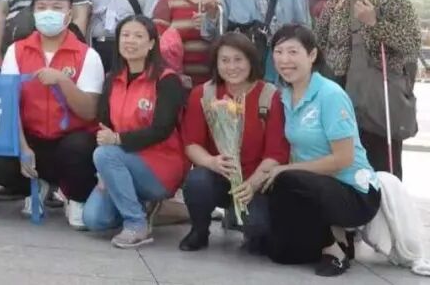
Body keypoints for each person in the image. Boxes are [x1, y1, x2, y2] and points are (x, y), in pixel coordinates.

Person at [262, 25, 381, 276]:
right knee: (280, 254)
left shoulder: (330, 94)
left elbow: (344, 159)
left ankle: (335, 250)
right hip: (314, 186)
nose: (284, 60)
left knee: (285, 178)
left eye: (293, 52)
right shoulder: (284, 96)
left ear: (312, 55)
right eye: (278, 52)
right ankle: (336, 237)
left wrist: (288, 169)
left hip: (354, 192)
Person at [0, 0, 104, 227]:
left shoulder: (87, 55)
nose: (48, 13)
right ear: (33, 13)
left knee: (79, 148)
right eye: (41, 7)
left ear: (69, 15)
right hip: (32, 138)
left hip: (69, 141)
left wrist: (64, 81)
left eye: (56, 7)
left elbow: (89, 111)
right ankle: (36, 187)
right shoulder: (16, 51)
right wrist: (22, 148)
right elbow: (9, 104)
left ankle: (75, 197)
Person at [316, 0, 421, 178]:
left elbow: (411, 44)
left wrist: (375, 23)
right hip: (340, 94)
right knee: (345, 168)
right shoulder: (338, 1)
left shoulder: (396, 3)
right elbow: (319, 38)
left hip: (377, 98)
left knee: (381, 168)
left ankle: (385, 201)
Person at [83, 15, 188, 249]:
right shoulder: (113, 79)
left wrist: (117, 140)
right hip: (119, 162)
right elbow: (103, 126)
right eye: (125, 35)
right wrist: (105, 172)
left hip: (160, 166)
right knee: (94, 220)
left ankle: (136, 224)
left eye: (138, 36)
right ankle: (143, 206)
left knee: (104, 155)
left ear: (151, 43)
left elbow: (161, 129)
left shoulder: (166, 80)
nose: (130, 41)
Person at [179, 32, 289, 252]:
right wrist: (211, 162)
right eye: (225, 60)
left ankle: (244, 224)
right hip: (219, 175)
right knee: (197, 181)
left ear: (251, 61)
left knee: (258, 228)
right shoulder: (204, 93)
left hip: (256, 180)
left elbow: (276, 154)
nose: (232, 67)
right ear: (216, 63)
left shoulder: (270, 96)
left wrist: (252, 184)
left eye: (238, 60)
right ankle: (200, 230)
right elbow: (191, 143)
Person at [152, 0, 211, 85]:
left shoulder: (213, 0)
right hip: (177, 81)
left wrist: (209, 24)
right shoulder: (167, 2)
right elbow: (158, 42)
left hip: (212, 79)